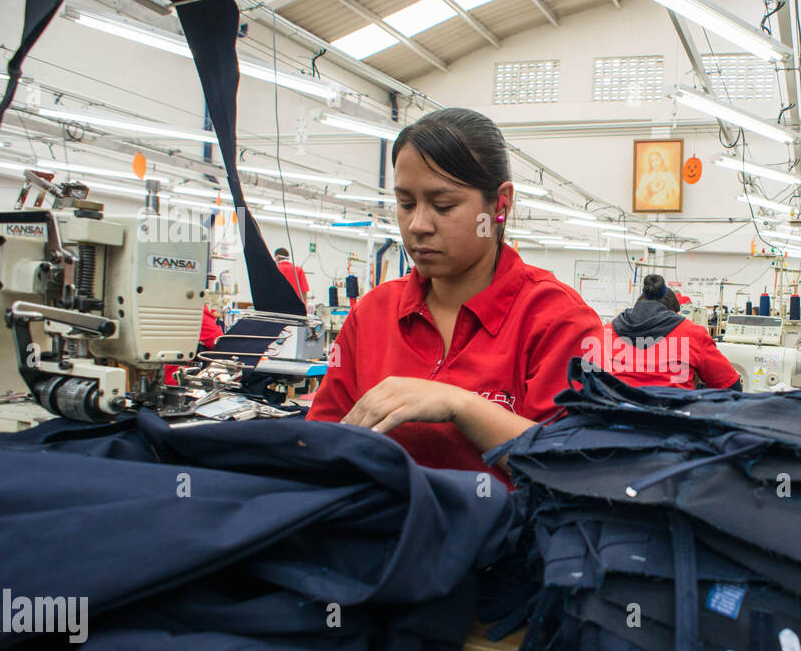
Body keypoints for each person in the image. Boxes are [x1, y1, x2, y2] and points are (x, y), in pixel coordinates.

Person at [306, 108, 602, 483]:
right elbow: (323, 440)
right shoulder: (373, 314)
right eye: (406, 204)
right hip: (381, 534)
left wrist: (460, 405)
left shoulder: (558, 320)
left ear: (500, 205)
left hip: (502, 539)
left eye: (443, 206)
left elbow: (574, 467)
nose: (418, 225)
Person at [591, 275, 741, 390]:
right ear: (672, 312)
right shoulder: (692, 334)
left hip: (614, 422)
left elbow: (586, 382)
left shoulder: (605, 332)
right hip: (670, 424)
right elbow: (732, 387)